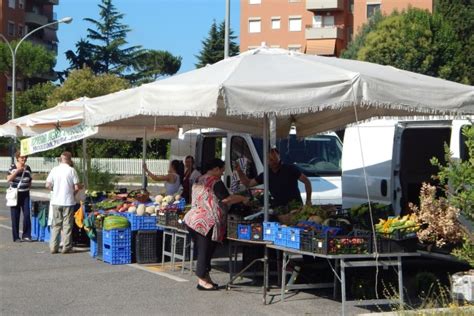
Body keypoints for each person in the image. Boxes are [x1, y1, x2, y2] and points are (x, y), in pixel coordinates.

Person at [184, 158, 249, 291]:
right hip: (205, 221)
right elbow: (226, 199)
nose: (221, 173)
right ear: (215, 169)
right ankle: (202, 280)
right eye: (221, 170)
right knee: (205, 251)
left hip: (192, 218)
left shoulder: (199, 179)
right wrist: (243, 198)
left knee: (204, 250)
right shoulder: (215, 181)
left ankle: (206, 278)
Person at [236, 148, 312, 208]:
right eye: (270, 160)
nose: (273, 162)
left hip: (295, 207)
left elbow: (307, 182)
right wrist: (239, 171)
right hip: (280, 209)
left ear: (279, 158)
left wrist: (308, 200)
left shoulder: (290, 169)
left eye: (275, 159)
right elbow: (248, 183)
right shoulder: (266, 174)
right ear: (267, 161)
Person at [46, 151, 80, 254]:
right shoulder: (72, 170)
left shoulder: (54, 170)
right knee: (67, 225)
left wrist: (54, 190)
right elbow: (77, 186)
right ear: (70, 160)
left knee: (56, 225)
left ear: (61, 159)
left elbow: (47, 185)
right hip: (68, 201)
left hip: (56, 201)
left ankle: (53, 247)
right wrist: (73, 193)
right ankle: (66, 246)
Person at [6, 151, 32, 242]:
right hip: (15, 194)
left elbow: (30, 180)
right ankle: (16, 237)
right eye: (22, 157)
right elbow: (8, 179)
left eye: (25, 157)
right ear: (17, 158)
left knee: (27, 214)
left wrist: (28, 186)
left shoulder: (28, 168)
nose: (24, 159)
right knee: (15, 215)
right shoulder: (13, 167)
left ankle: (26, 235)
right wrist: (17, 171)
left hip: (25, 193)